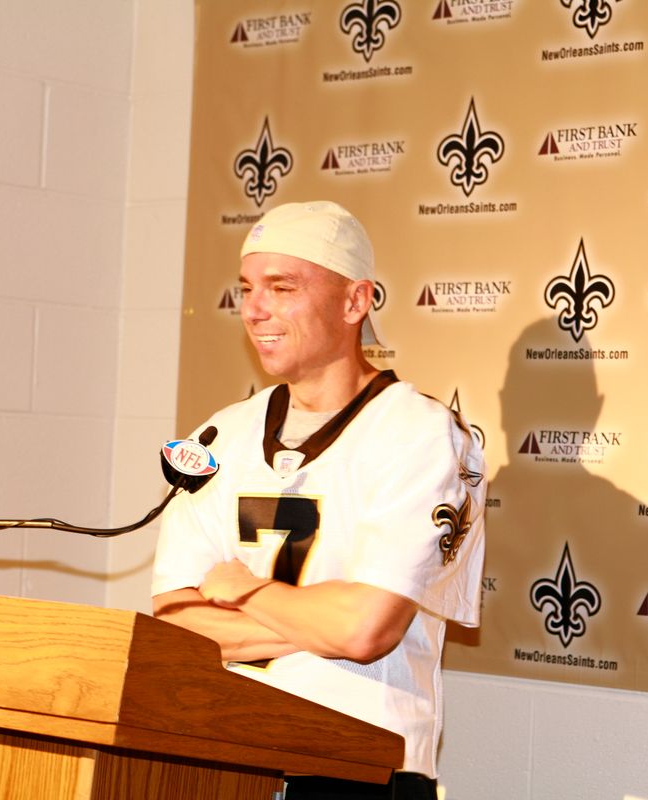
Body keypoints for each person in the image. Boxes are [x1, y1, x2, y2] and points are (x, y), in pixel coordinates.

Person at [151, 200, 486, 799]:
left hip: (359, 769)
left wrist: (249, 591)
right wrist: (318, 616)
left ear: (356, 302)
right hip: (224, 758)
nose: (254, 310)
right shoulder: (221, 434)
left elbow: (365, 632)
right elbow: (175, 625)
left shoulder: (422, 434)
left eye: (282, 287)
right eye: (248, 287)